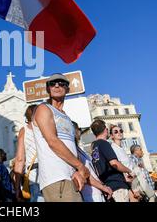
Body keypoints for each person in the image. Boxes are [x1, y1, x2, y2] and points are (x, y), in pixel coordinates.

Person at [32, 73, 90, 202]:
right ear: (48, 89)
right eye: (53, 83)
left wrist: (75, 170)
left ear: (67, 89)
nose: (57, 85)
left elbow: (70, 147)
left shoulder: (67, 117)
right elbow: (53, 142)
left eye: (61, 83)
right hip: (56, 177)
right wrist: (80, 166)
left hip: (70, 177)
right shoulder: (43, 109)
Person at [90, 119, 133, 202]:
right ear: (105, 130)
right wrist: (129, 170)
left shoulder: (94, 147)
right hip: (117, 185)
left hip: (108, 186)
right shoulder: (104, 143)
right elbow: (114, 163)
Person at [72, 121, 112, 202]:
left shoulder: (79, 150)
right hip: (90, 195)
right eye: (79, 129)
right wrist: (103, 187)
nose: (80, 132)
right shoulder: (74, 151)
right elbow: (86, 175)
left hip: (96, 192)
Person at [13, 104, 44, 202]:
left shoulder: (24, 130)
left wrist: (17, 188)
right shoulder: (48, 127)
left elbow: (20, 159)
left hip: (35, 177)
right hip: (53, 174)